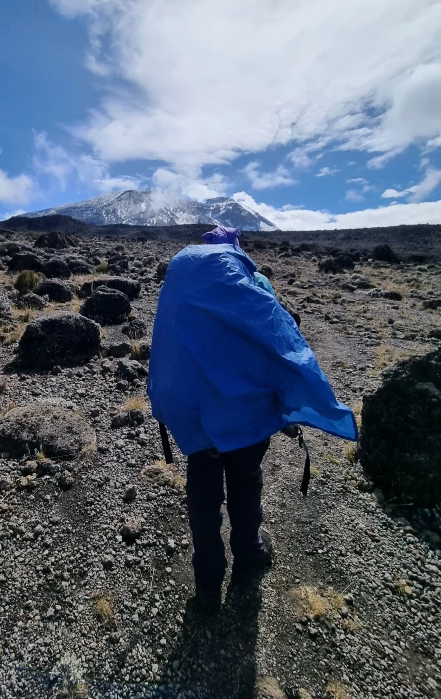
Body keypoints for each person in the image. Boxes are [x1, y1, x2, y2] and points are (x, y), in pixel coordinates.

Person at [147, 227, 357, 610]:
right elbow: (278, 342)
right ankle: (249, 560)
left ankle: (207, 584)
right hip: (245, 417)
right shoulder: (254, 282)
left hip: (199, 418)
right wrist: (293, 399)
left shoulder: (179, 286)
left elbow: (167, 347)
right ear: (235, 250)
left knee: (202, 495)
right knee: (245, 485)